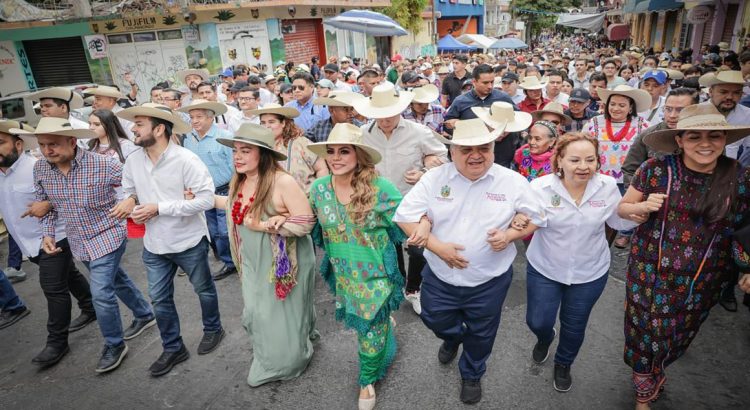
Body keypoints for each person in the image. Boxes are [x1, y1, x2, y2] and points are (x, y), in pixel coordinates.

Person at [394, 118, 544, 405]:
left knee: (482, 331)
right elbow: (405, 216)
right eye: (466, 149)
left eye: (483, 148)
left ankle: (472, 373)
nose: (476, 155)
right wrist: (439, 248)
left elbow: (537, 217)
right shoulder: (434, 178)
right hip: (439, 275)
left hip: (489, 279)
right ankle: (451, 338)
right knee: (433, 318)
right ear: (452, 152)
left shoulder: (512, 181)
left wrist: (511, 234)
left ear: (492, 149)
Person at [617, 104, 750, 408]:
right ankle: (643, 391)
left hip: (705, 279)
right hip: (648, 273)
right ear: (679, 140)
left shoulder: (741, 177)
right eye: (694, 136)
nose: (705, 144)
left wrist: (747, 268)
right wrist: (639, 209)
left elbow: (744, 227)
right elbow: (623, 208)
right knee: (642, 333)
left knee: (676, 335)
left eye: (714, 136)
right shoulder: (654, 169)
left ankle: (656, 369)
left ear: (725, 140)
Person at [14, 117, 155, 373]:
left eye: (54, 144)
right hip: (79, 240)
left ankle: (114, 344)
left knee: (101, 293)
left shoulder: (103, 164)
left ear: (72, 141)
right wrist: (48, 234)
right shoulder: (41, 169)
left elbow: (136, 183)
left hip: (108, 234)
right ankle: (145, 314)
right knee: (117, 279)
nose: (48, 151)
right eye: (43, 145)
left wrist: (131, 199)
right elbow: (44, 203)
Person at [520, 132, 642, 393]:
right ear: (560, 160)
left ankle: (563, 363)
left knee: (574, 326)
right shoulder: (540, 187)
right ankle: (545, 337)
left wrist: (636, 214)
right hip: (545, 268)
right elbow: (525, 220)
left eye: (590, 159)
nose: (584, 167)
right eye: (575, 160)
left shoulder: (607, 186)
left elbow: (617, 222)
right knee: (537, 321)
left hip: (590, 271)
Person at [112, 103, 225, 377]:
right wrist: (130, 199)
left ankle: (213, 329)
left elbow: (205, 200)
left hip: (188, 241)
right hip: (154, 244)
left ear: (159, 129)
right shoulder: (134, 161)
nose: (133, 129)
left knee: (204, 290)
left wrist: (159, 208)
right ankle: (173, 347)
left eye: (139, 124)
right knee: (160, 299)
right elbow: (129, 189)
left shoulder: (186, 160)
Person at [207, 123, 317, 386]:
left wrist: (267, 225)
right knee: (257, 313)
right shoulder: (240, 180)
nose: (238, 157)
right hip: (252, 260)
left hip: (282, 263)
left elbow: (306, 223)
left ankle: (289, 360)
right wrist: (206, 198)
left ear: (263, 154)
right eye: (236, 151)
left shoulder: (283, 181)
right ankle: (285, 344)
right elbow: (236, 207)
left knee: (277, 314)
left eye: (246, 151)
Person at [307, 123, 406, 410]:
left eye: (344, 151)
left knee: (368, 331)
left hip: (376, 275)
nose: (335, 157)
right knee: (371, 324)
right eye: (331, 152)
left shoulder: (380, 188)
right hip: (344, 275)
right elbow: (304, 220)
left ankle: (367, 381)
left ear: (359, 155)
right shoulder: (318, 189)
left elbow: (409, 218)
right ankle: (383, 323)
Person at [0, 120, 97, 366]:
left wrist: (49, 204)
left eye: (1, 143)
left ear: (18, 145)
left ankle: (56, 342)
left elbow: (69, 192)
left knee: (53, 287)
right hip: (28, 244)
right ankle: (90, 306)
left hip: (56, 236)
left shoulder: (38, 167)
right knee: (70, 275)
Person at [355, 82, 448, 315]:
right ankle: (398, 285)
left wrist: (425, 171)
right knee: (390, 249)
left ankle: (414, 289)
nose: (385, 120)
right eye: (379, 116)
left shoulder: (419, 132)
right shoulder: (363, 135)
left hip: (412, 200)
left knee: (418, 249)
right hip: (378, 203)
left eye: (389, 115)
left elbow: (441, 158)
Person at [177, 99, 238, 281]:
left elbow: (235, 165)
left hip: (225, 190)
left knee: (225, 231)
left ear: (211, 118)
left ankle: (232, 262)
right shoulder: (188, 139)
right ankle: (228, 260)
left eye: (199, 117)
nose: (195, 121)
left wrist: (235, 188)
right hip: (201, 193)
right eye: (192, 117)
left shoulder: (224, 136)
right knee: (212, 230)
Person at [585, 85, 651, 248]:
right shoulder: (593, 123)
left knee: (624, 212)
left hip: (629, 180)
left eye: (622, 105)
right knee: (598, 213)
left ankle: (625, 234)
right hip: (599, 179)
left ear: (630, 108)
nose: (616, 108)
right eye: (612, 104)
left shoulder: (643, 126)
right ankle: (596, 242)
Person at [622, 88, 698, 189]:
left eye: (680, 110)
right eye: (668, 109)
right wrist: (638, 198)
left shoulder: (706, 137)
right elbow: (630, 170)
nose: (672, 115)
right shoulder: (648, 136)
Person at [251, 103, 328, 192]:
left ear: (283, 123)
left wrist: (319, 193)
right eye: (263, 123)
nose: (266, 126)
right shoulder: (261, 148)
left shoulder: (301, 143)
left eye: (271, 122)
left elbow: (321, 169)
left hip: (306, 200)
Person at [473, 101, 534, 168]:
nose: (501, 133)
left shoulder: (514, 135)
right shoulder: (474, 137)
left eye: (506, 130)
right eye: (497, 128)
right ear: (487, 123)